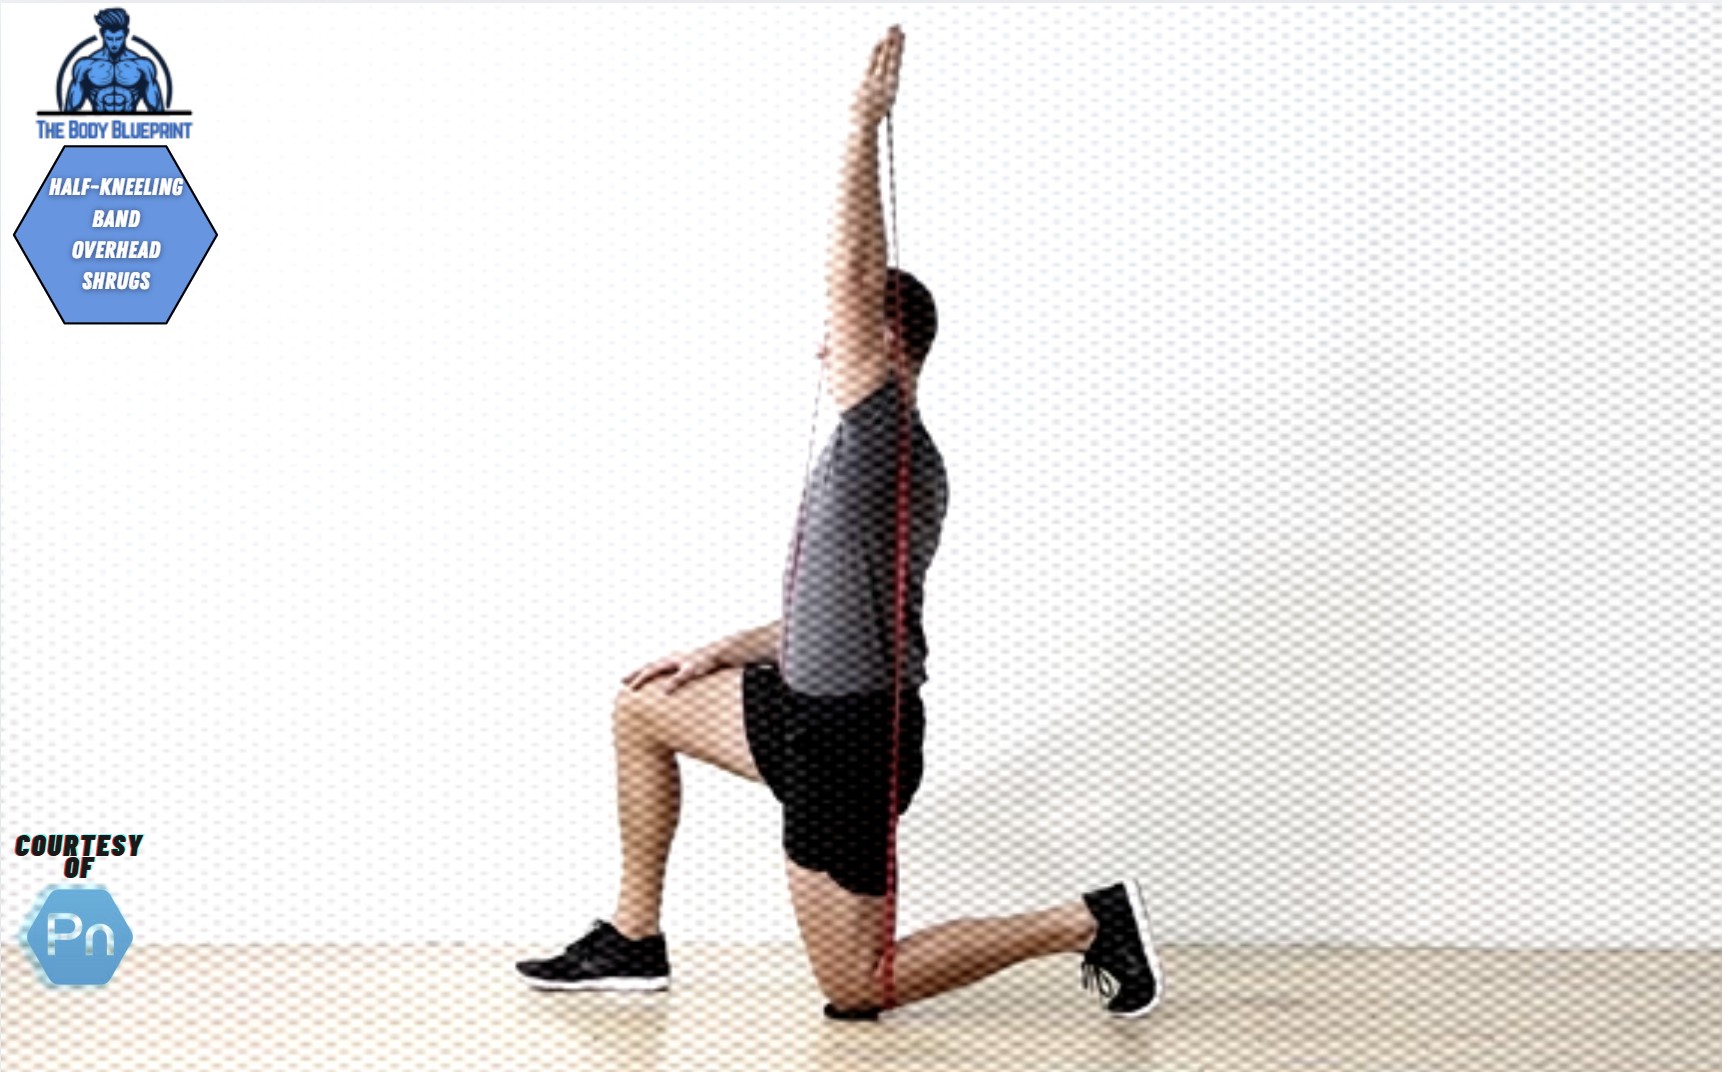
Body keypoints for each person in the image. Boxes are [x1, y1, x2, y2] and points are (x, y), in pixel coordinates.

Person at [517, 25, 1163, 1021]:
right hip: (805, 702)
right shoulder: (875, 459)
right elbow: (837, 615)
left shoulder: (884, 431)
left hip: (854, 737)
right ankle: (633, 936)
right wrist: (716, 648)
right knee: (640, 706)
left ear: (888, 340)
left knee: (858, 986)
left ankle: (1089, 919)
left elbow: (854, 281)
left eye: (847, 332)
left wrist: (861, 124)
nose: (823, 344)